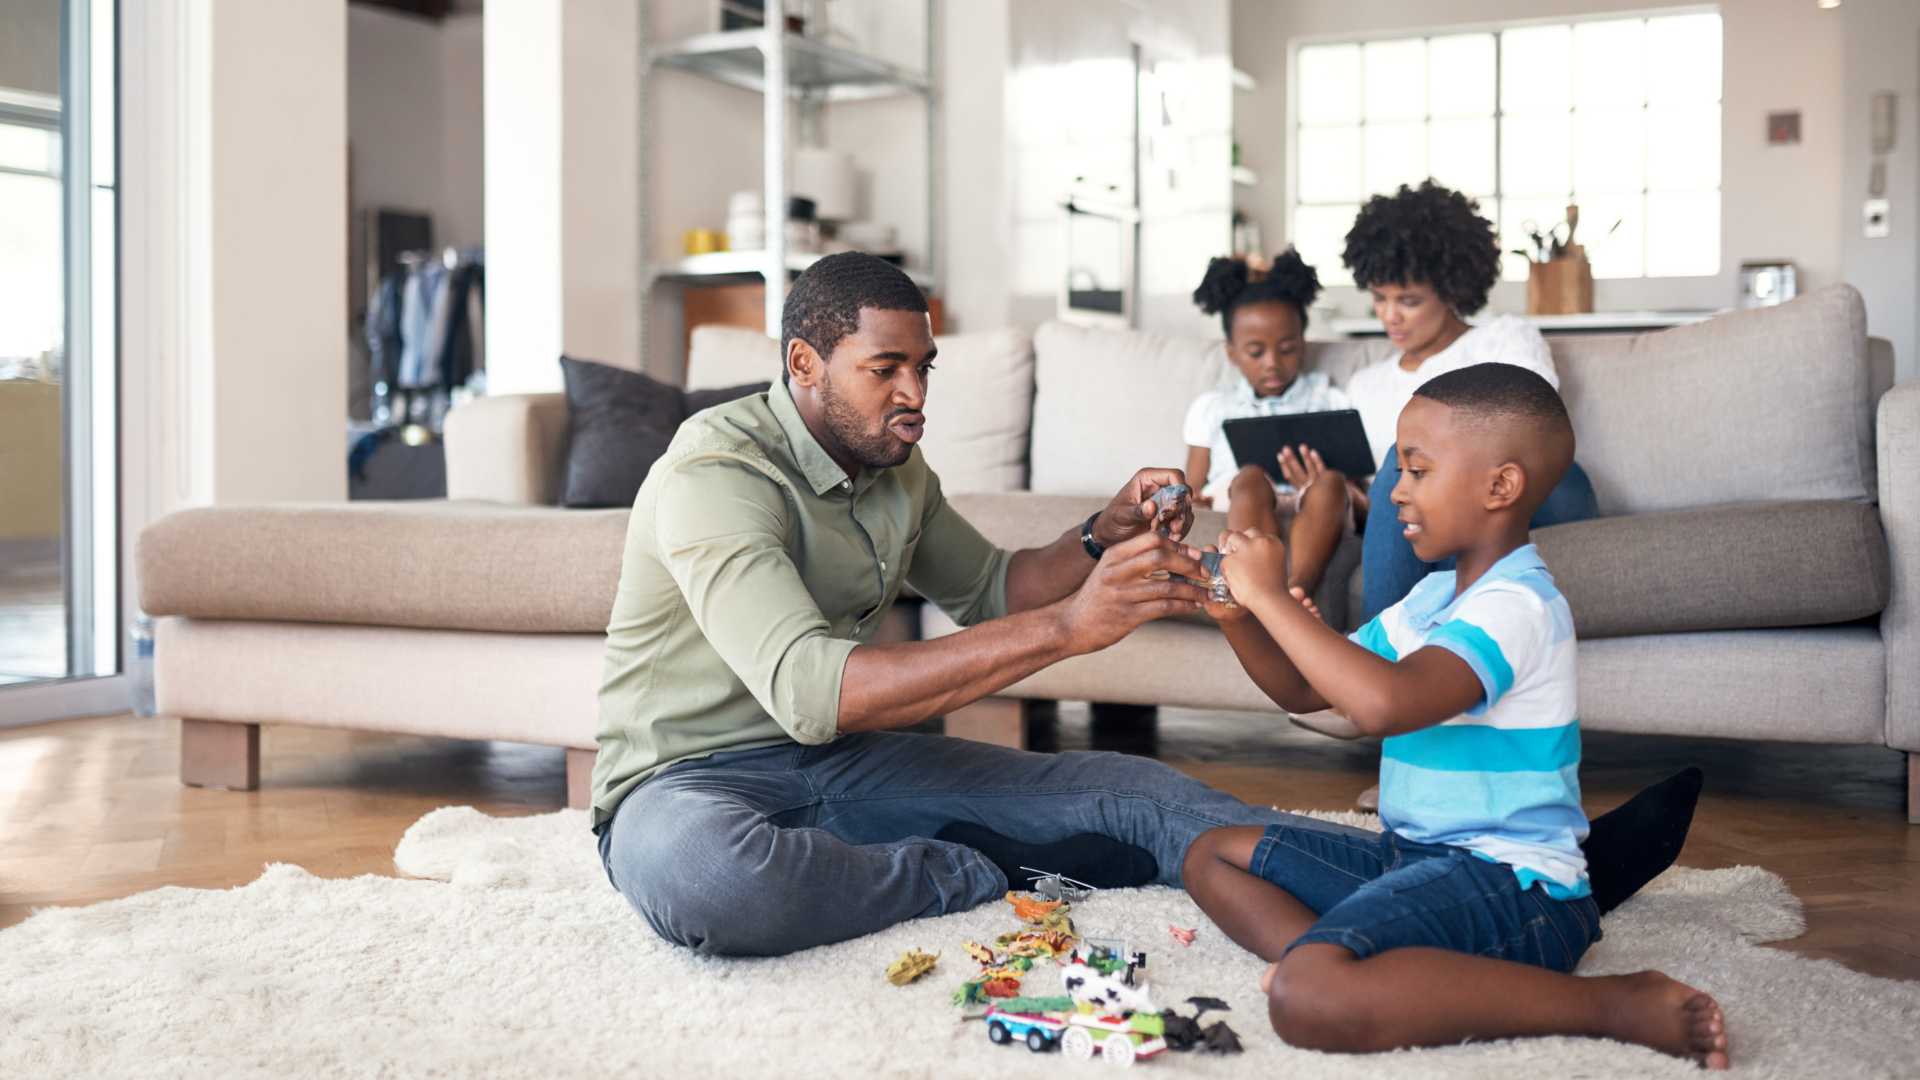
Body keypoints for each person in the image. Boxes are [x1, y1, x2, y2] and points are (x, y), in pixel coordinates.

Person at [592, 252, 1694, 959]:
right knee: (711, 882)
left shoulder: (895, 466)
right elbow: (810, 691)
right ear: (803, 363)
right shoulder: (715, 475)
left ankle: (1508, 881)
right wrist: (1074, 630)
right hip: (687, 783)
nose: (918, 397)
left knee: (1138, 793)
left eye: (926, 367)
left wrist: (1098, 537)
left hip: (850, 766)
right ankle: (975, 870)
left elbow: (991, 587)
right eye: (889, 371)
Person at [1185, 364, 1728, 1068]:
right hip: (1408, 857)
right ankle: (1340, 963)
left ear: (1500, 486)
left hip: (1511, 884)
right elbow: (1305, 691)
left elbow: (1383, 704)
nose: (1395, 492)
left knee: (1306, 1001)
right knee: (1211, 853)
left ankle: (1617, 1003)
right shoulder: (1430, 598)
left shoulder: (1518, 605)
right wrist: (1241, 617)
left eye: (1416, 471)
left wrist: (1278, 598)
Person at [1340, 180, 1600, 625]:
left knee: (1410, 460)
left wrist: (1418, 473)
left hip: (1538, 488)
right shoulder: (1364, 385)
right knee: (1407, 471)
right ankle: (1405, 653)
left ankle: (1376, 663)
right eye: (1379, 299)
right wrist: (1352, 499)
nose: (1390, 316)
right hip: (1436, 516)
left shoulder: (1504, 338)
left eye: (1409, 300)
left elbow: (1529, 432)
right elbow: (1385, 503)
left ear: (1450, 289)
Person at [1184, 250, 1358, 599]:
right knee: (1248, 476)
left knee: (1331, 482)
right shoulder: (1212, 407)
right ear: (1232, 352)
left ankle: (1296, 592)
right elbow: (1192, 485)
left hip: (1309, 500)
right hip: (1240, 496)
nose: (1273, 364)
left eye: (1287, 348)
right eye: (1255, 352)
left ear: (1303, 345)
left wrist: (1322, 479)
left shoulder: (1329, 398)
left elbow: (1355, 484)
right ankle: (1264, 590)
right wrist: (1193, 500)